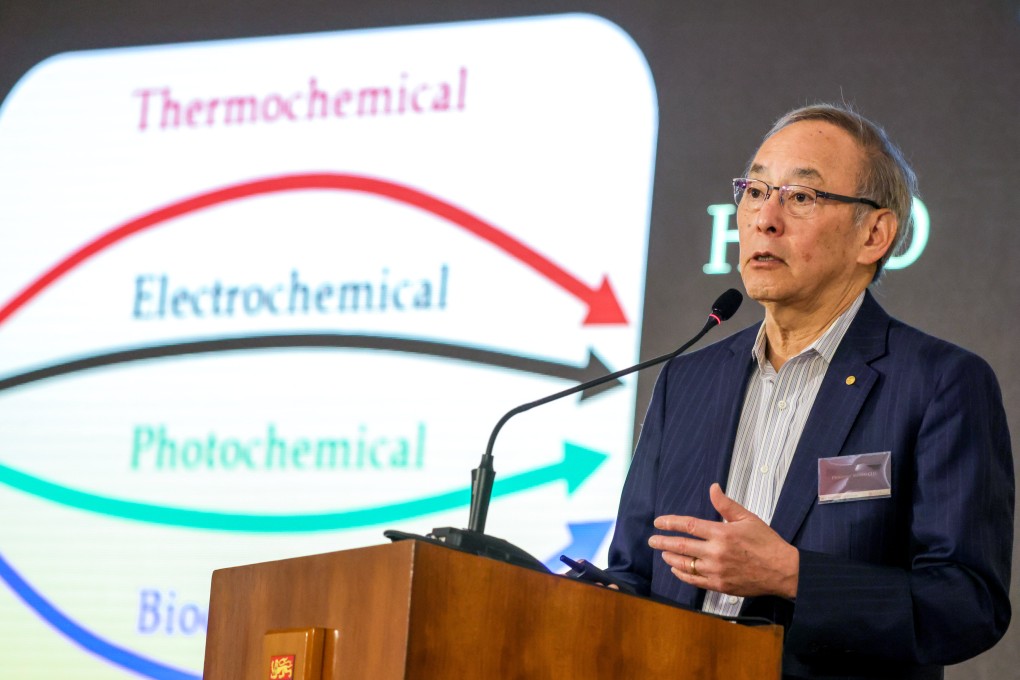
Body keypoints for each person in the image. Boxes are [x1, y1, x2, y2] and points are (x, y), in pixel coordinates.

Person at [606, 103, 1014, 679]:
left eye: (801, 197)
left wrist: (793, 575)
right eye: (754, 190)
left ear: (874, 234)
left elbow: (967, 603)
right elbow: (631, 572)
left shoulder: (940, 383)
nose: (763, 219)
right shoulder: (686, 381)